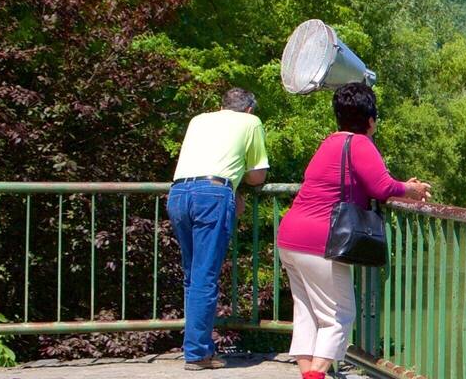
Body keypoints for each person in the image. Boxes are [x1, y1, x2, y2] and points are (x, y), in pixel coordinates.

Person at [277, 83, 430, 379]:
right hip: (320, 241)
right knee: (338, 316)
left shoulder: (329, 142)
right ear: (370, 120)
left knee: (307, 313)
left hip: (291, 237)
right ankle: (315, 376)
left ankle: (309, 374)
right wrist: (411, 188)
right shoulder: (359, 143)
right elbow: (381, 187)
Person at [166, 87, 270, 371]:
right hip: (212, 195)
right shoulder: (251, 122)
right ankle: (198, 354)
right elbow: (257, 174)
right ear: (249, 109)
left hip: (178, 194)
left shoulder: (198, 120)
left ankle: (195, 347)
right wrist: (237, 187)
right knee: (204, 277)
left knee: (192, 275)